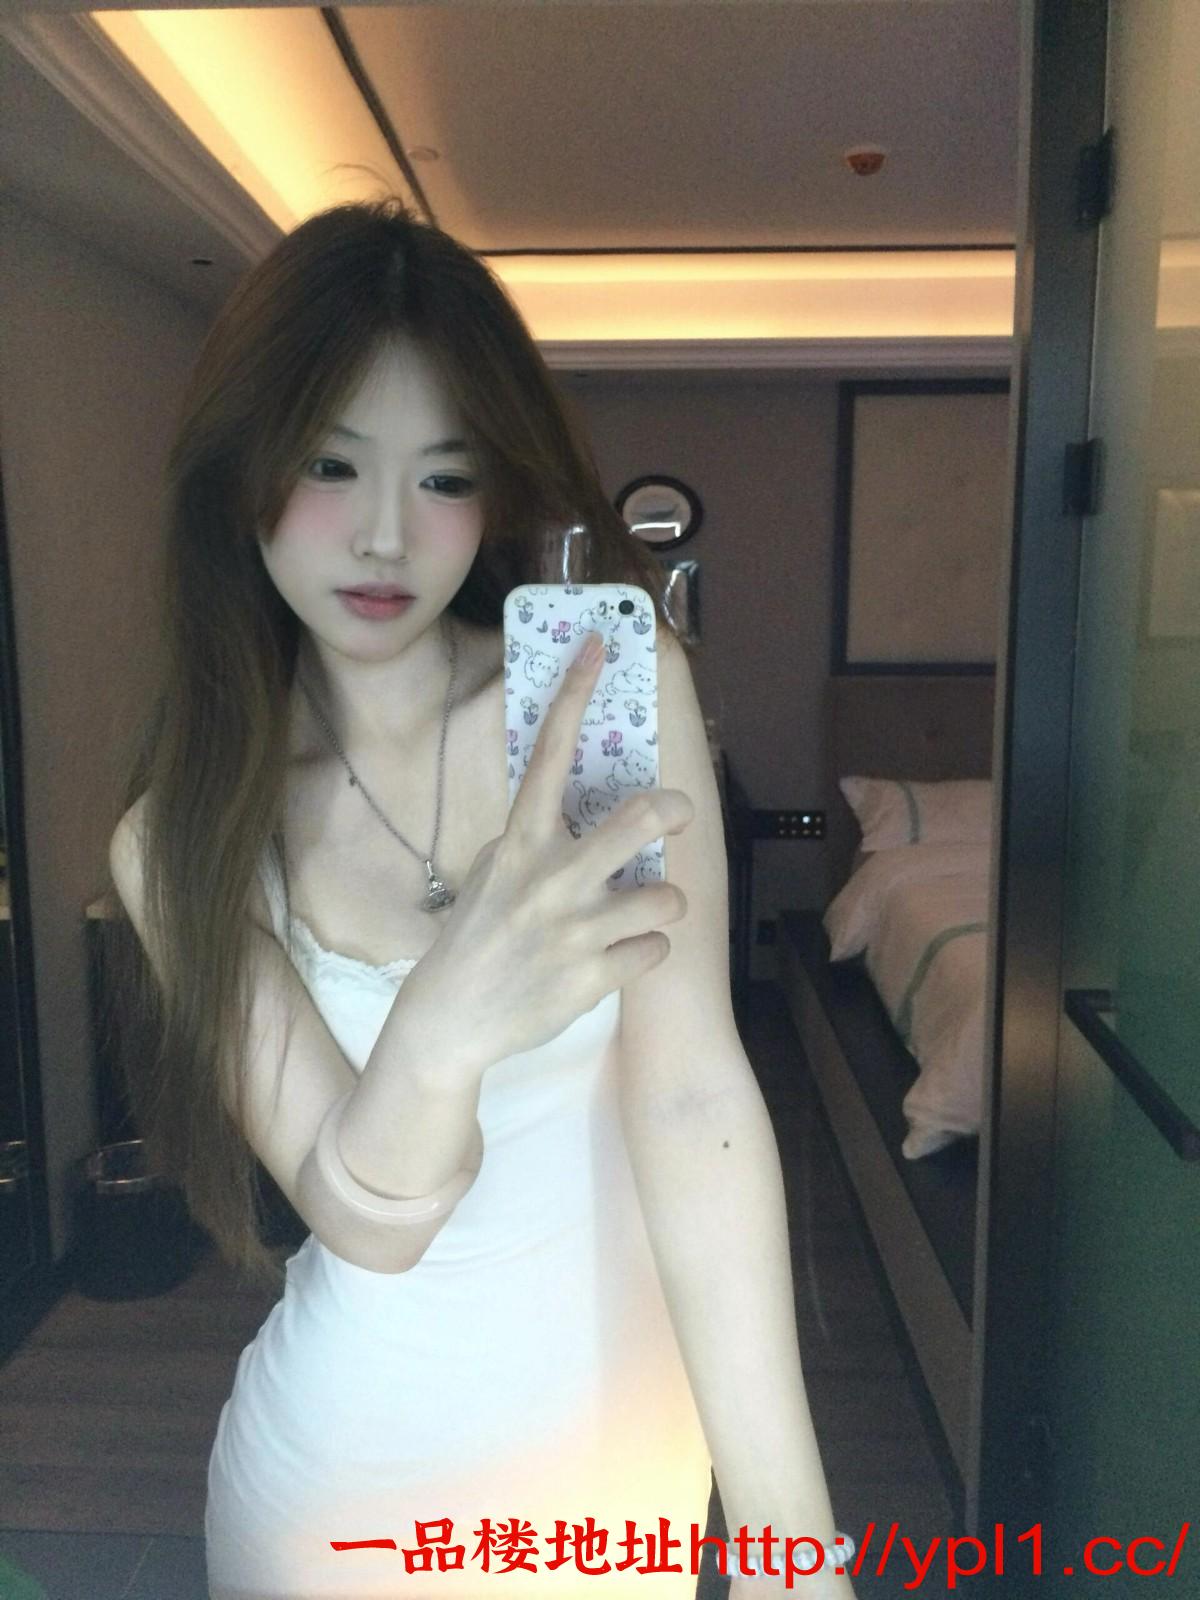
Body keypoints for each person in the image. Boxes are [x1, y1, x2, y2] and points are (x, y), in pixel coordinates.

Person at [104, 199, 858, 1599]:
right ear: (242, 468)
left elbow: (693, 1100)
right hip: (331, 1502)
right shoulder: (181, 836)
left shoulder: (603, 701)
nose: (386, 536)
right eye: (331, 464)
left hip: (618, 1479)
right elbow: (366, 1220)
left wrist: (787, 1543)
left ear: (496, 490)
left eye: (443, 477)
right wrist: (448, 1022)